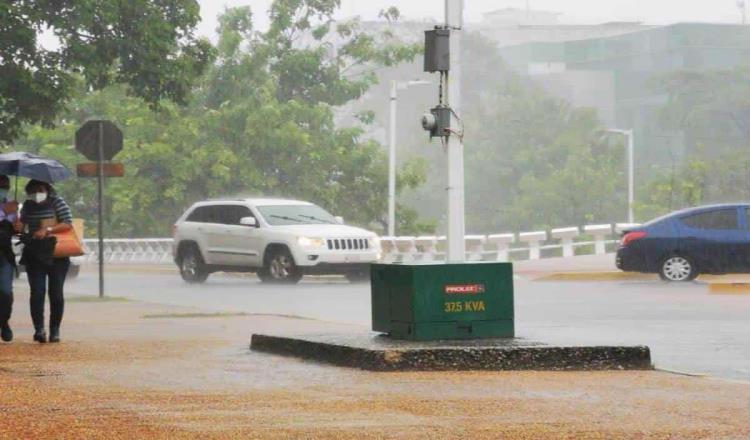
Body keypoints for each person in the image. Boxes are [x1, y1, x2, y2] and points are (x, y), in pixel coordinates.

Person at [19, 179, 73, 343]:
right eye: (33, 190)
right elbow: (23, 226)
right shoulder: (28, 205)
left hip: (57, 253)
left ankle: (55, 330)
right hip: (35, 253)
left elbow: (67, 223)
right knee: (37, 292)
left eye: (40, 189)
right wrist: (19, 226)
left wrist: (48, 229)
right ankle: (39, 329)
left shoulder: (57, 202)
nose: (37, 194)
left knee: (56, 293)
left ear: (47, 189)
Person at [0, 175, 18, 342]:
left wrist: (18, 224)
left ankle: (4, 321)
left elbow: (17, 230)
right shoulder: (6, 208)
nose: (3, 188)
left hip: (5, 255)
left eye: (5, 185)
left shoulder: (11, 205)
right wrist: (4, 212)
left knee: (5, 292)